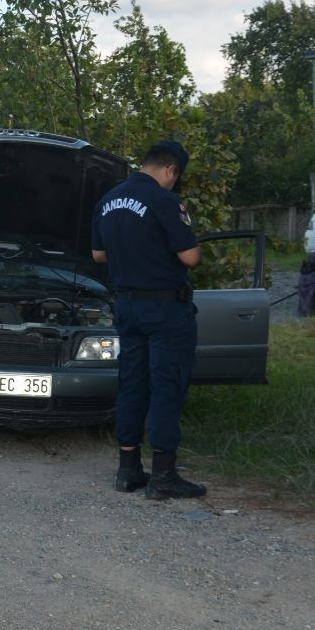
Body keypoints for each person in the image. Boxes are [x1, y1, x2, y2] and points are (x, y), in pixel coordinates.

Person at [91, 141, 205, 501]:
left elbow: (98, 255)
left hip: (126, 307)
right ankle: (164, 475)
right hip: (165, 310)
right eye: (177, 177)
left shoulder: (107, 200)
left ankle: (128, 470)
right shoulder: (165, 201)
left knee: (132, 385)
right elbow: (190, 257)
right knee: (167, 386)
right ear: (171, 169)